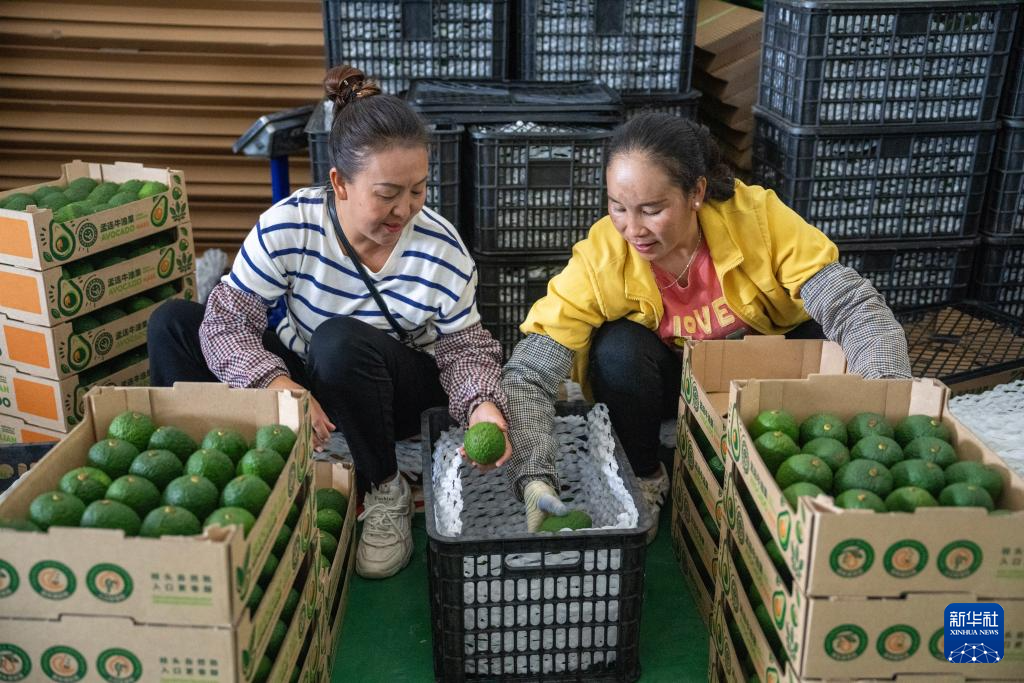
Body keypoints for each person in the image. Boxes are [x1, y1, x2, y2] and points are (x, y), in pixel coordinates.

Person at [147, 65, 510, 579]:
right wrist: (274, 383)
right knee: (173, 323)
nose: (405, 209)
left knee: (337, 340)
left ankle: (384, 488)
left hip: (395, 391)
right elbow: (228, 319)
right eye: (387, 193)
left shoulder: (442, 250)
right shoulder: (289, 226)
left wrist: (483, 405)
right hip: (313, 371)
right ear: (339, 183)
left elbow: (464, 350)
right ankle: (205, 477)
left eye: (418, 190)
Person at [501, 114, 912, 538]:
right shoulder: (603, 257)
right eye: (618, 207)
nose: (632, 229)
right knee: (617, 350)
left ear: (696, 192)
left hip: (770, 377)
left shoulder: (757, 219)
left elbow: (852, 304)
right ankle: (645, 473)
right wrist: (534, 474)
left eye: (652, 210)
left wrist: (889, 399)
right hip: (672, 387)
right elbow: (532, 370)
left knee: (829, 334)